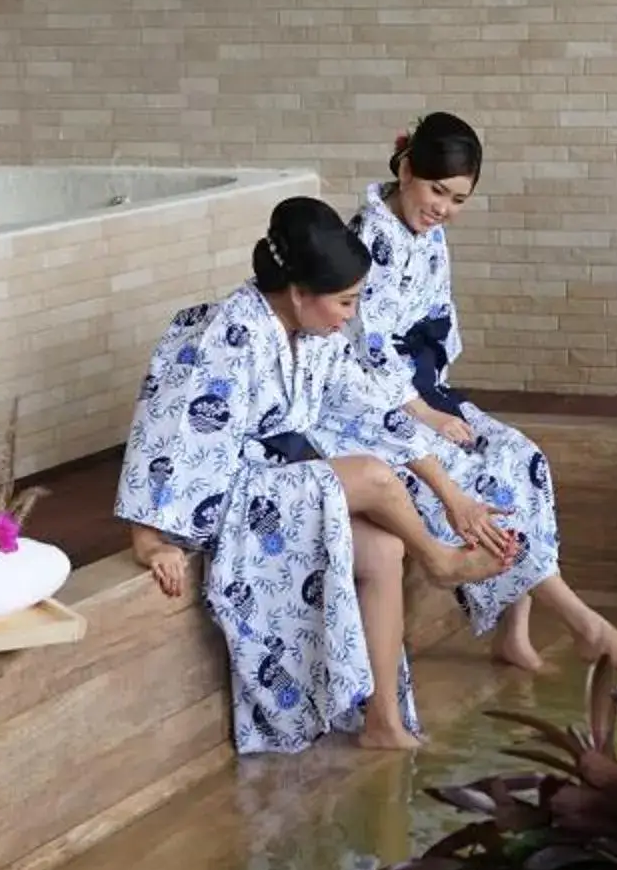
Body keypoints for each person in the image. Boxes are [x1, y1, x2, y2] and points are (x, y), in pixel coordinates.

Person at [117, 197, 514, 752]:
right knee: (375, 478)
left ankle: (384, 724)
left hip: (286, 480)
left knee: (382, 551)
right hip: (236, 497)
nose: (351, 315)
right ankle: (441, 561)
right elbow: (168, 432)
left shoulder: (314, 339)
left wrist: (450, 492)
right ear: (300, 292)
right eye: (345, 301)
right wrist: (149, 538)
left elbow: (373, 410)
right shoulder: (224, 336)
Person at [351, 113, 617, 681]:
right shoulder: (367, 241)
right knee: (481, 475)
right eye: (435, 190)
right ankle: (586, 626)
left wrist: (437, 402)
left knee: (522, 456)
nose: (443, 208)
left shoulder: (428, 235)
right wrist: (424, 413)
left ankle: (514, 632)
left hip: (421, 389)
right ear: (404, 169)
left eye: (457, 198)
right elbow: (367, 347)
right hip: (368, 404)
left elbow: (434, 322)